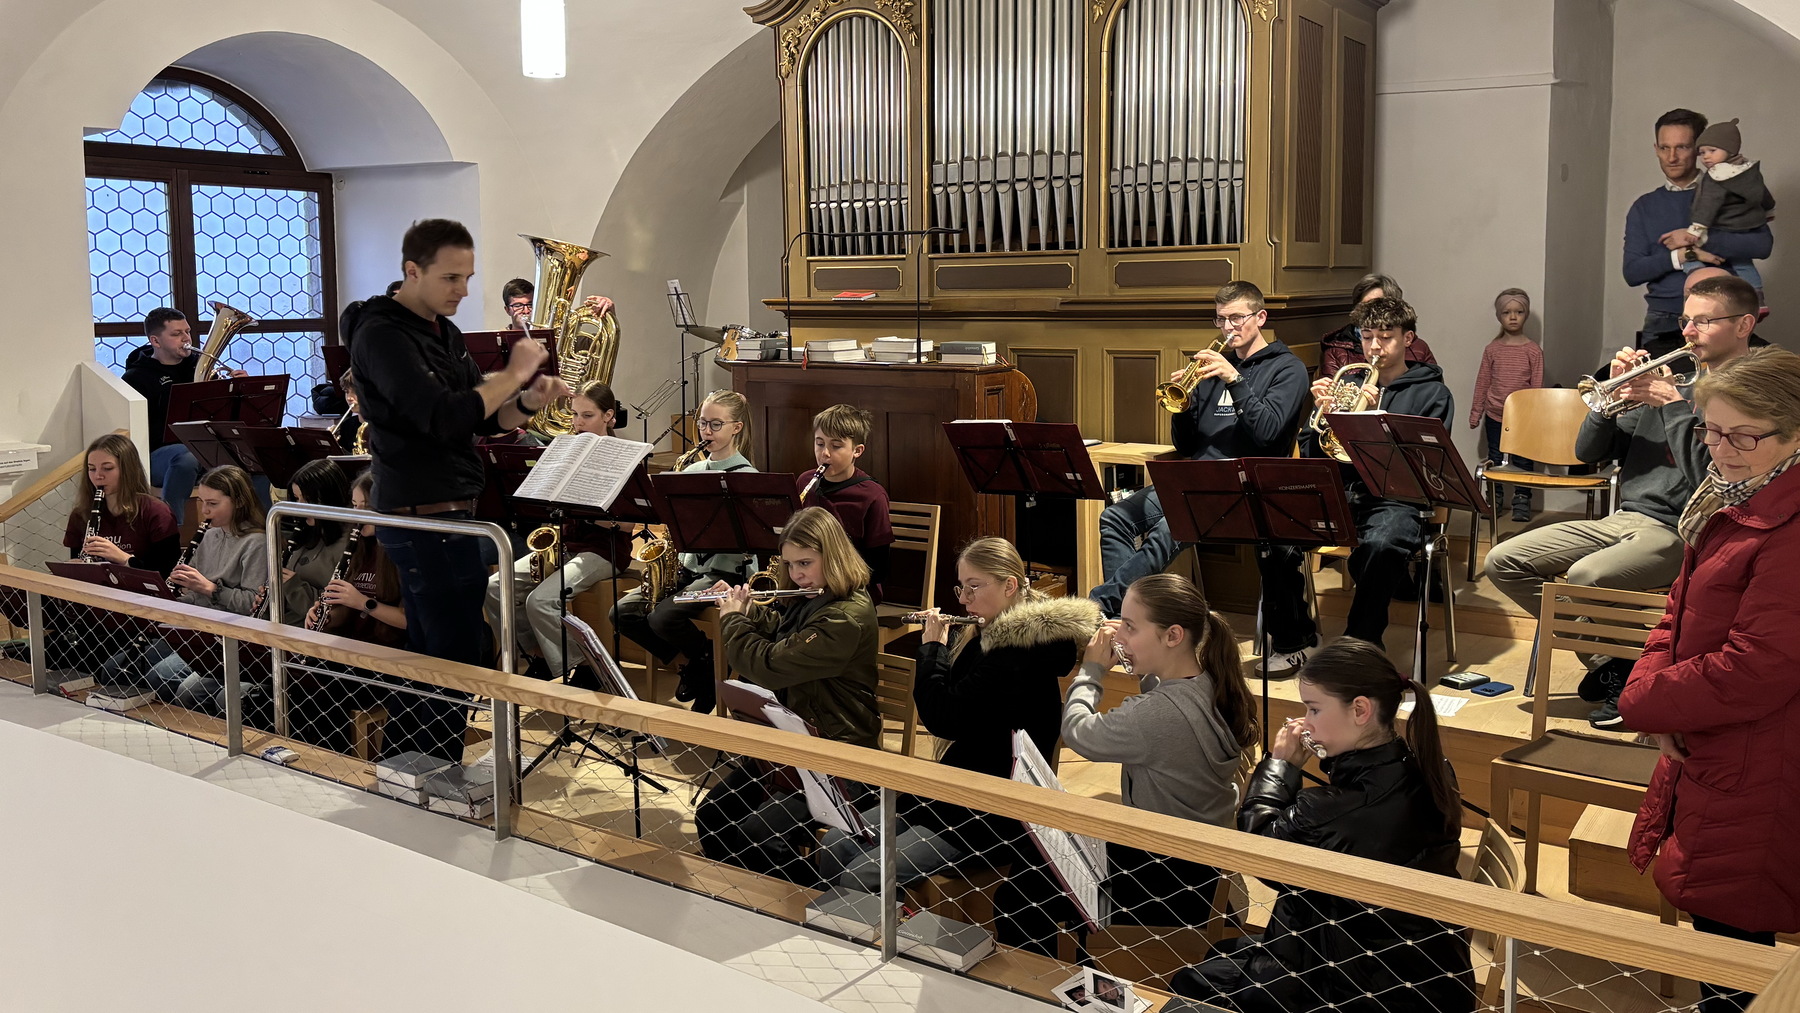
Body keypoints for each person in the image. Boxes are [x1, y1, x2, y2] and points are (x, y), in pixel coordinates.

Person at [1488, 274, 1758, 729]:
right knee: (1504, 561)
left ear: (1744, 325)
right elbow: (1586, 453)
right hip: (1625, 517)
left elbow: (1707, 478)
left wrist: (1672, 405)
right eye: (1685, 320)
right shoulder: (1677, 380)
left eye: (1703, 322)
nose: (1688, 331)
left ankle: (1630, 674)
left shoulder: (1749, 392)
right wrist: (1608, 398)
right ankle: (1621, 667)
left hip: (1685, 528)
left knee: (1586, 576)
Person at [347, 217, 570, 763]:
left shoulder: (442, 332)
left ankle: (411, 770)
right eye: (451, 278)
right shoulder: (381, 334)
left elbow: (483, 419)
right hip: (420, 514)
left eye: (468, 277)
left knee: (438, 650)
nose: (463, 290)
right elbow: (442, 416)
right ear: (412, 271)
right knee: (454, 654)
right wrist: (513, 373)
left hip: (452, 512)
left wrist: (529, 400)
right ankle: (427, 771)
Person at [1619, 347, 1800, 1013]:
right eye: (1711, 431)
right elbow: (1677, 611)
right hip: (1717, 739)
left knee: (1737, 943)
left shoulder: (1790, 526)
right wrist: (1659, 700)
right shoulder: (1733, 498)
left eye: (1743, 436)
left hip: (1763, 753)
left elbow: (1758, 665)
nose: (1721, 451)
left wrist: (1644, 702)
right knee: (1722, 935)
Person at [1170, 638, 1475, 1013]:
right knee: (1220, 955)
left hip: (1365, 984)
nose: (1306, 722)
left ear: (1360, 710)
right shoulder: (1428, 766)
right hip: (1417, 963)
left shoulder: (1333, 809)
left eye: (1313, 709)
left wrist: (1280, 766)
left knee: (1190, 985)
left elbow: (1258, 853)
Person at [994, 572, 1258, 956]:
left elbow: (1078, 732)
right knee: (1039, 862)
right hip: (1196, 869)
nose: (1119, 635)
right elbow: (1163, 704)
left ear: (1173, 636)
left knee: (1020, 896)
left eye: (1130, 627)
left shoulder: (1155, 715)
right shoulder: (1209, 682)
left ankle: (1058, 977)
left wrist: (1092, 669)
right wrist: (1138, 653)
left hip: (1166, 884)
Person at [817, 537, 1100, 891]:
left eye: (973, 587)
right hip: (956, 787)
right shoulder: (987, 635)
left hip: (991, 812)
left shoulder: (1014, 654)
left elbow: (942, 718)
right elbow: (952, 704)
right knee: (835, 844)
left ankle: (870, 926)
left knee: (861, 874)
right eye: (961, 587)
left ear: (1009, 586)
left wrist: (932, 648)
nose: (963, 599)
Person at [1091, 280, 1315, 675]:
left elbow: (1268, 434)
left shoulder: (1287, 369)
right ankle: (1129, 624)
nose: (1228, 327)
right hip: (1195, 479)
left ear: (1260, 317)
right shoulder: (1210, 371)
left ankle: (1104, 608)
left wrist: (1235, 380)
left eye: (1237, 318)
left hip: (1246, 486)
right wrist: (1185, 407)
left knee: (1169, 529)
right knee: (1115, 517)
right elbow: (1187, 443)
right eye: (1221, 319)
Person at [694, 506, 880, 884]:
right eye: (790, 564)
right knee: (712, 817)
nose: (796, 575)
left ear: (834, 556)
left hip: (837, 755)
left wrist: (733, 620)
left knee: (759, 836)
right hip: (793, 744)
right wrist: (747, 609)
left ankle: (807, 898)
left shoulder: (844, 616)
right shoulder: (815, 596)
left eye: (805, 563)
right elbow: (784, 634)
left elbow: (769, 665)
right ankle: (745, 893)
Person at [1303, 296, 1453, 646]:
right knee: (1276, 535)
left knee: (1382, 545)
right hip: (1342, 492)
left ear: (1408, 339)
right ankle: (1293, 639)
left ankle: (1361, 643)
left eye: (1385, 337)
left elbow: (1423, 465)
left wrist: (1367, 422)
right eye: (1367, 336)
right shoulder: (1348, 385)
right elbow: (1315, 455)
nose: (1374, 346)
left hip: (1396, 499)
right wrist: (1323, 416)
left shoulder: (1432, 393)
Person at [611, 389, 758, 713]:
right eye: (702, 423)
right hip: (686, 569)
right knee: (622, 613)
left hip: (724, 574)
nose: (706, 431)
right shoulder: (689, 471)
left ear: (736, 427)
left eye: (716, 424)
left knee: (664, 616)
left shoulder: (748, 478)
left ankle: (703, 665)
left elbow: (752, 543)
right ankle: (698, 663)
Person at [486, 379, 634, 681]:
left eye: (587, 416)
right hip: (565, 544)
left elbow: (628, 523)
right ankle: (537, 654)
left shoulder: (623, 456)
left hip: (603, 550)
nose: (578, 423)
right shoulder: (565, 450)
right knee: (494, 588)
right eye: (575, 415)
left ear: (608, 416)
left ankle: (586, 667)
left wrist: (584, 509)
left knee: (540, 601)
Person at [119, 465, 268, 713]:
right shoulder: (209, 536)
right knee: (127, 667)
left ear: (239, 502)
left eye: (213, 503)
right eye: (201, 502)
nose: (204, 511)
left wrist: (210, 588)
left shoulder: (257, 543)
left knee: (163, 677)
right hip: (197, 627)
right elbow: (193, 595)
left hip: (228, 635)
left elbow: (252, 605)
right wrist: (168, 601)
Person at [1623, 109, 1772, 340]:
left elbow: (1762, 245)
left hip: (1724, 316)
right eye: (1664, 148)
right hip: (1664, 318)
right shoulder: (1644, 206)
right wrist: (1685, 255)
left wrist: (1700, 239)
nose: (1671, 157)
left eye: (1682, 147)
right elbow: (1632, 272)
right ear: (1656, 149)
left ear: (1699, 148)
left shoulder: (1733, 191)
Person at [796, 404, 893, 597]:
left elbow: (878, 568)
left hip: (852, 592)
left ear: (857, 450)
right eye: (819, 443)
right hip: (806, 586)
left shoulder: (872, 495)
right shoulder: (805, 482)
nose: (825, 453)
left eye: (836, 446)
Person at [1468, 288, 1545, 522]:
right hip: (1495, 414)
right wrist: (1476, 412)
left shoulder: (1533, 351)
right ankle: (1494, 499)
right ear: (1499, 316)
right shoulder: (1492, 349)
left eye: (1519, 312)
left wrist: (1536, 416)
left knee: (1523, 458)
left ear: (1526, 315)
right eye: (1507, 312)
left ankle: (1522, 500)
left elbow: (1537, 387)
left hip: (1523, 417)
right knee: (1495, 455)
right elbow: (1483, 382)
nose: (1513, 317)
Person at [1684, 118, 1775, 313]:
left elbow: (1708, 205)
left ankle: (1698, 280)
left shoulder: (1716, 176)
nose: (1706, 157)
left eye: (1712, 150)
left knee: (1689, 253)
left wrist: (1697, 229)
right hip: (1750, 226)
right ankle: (1758, 299)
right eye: (1702, 152)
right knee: (1743, 262)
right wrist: (1768, 210)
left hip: (1725, 227)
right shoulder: (1748, 170)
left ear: (1730, 149)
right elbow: (1763, 194)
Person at [64, 432, 180, 578]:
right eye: (92, 469)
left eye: (107, 468)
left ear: (127, 470)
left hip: (141, 591)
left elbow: (169, 574)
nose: (98, 476)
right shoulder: (80, 515)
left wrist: (124, 559)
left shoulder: (157, 512)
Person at [1316, 274, 1438, 380]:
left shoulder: (1419, 348)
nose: (1372, 312)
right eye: (1367, 337)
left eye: (1386, 337)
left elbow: (1432, 388)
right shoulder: (1336, 351)